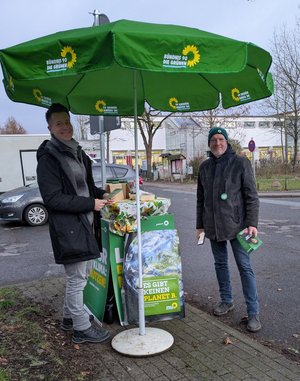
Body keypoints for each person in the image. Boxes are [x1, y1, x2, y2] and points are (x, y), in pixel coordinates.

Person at [37, 103, 112, 344]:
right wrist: (91, 203)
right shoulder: (49, 159)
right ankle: (81, 328)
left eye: (67, 121)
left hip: (85, 224)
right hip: (69, 228)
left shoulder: (77, 152)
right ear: (49, 127)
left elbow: (86, 188)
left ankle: (70, 318)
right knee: (77, 279)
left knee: (82, 274)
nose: (65, 127)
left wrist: (103, 194)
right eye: (58, 123)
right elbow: (53, 198)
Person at [196, 127, 261, 332]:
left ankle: (253, 313)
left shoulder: (241, 162)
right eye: (213, 140)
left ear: (227, 141)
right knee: (220, 264)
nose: (217, 143)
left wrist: (252, 223)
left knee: (244, 267)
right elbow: (201, 199)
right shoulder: (205, 168)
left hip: (238, 225)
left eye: (221, 139)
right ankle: (227, 300)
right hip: (213, 226)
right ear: (209, 143)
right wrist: (200, 225)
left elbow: (251, 196)